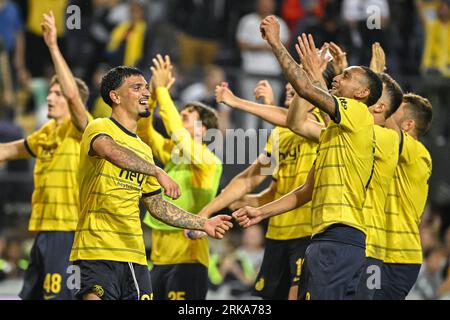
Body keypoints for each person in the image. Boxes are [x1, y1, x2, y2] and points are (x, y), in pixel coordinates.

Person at [233, 16, 383, 299]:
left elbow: (306, 90)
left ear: (363, 93)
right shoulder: (332, 135)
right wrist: (260, 212)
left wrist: (278, 45)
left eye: (347, 76)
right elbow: (304, 188)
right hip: (331, 239)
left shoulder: (359, 113)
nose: (338, 77)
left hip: (337, 236)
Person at [69, 64, 232, 300]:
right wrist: (156, 170)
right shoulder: (99, 127)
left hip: (136, 259)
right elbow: (111, 151)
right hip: (96, 252)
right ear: (115, 96)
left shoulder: (147, 151)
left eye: (146, 87)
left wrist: (202, 223)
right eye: (137, 88)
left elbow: (157, 205)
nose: (145, 92)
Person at [205, 79, 324, 300]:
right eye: (288, 89)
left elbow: (295, 120)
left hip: (307, 232)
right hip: (277, 233)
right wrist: (239, 203)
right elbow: (262, 185)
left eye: (296, 89)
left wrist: (237, 102)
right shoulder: (279, 135)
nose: (290, 91)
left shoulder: (321, 124)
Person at [0, 12, 90, 300]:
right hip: (43, 231)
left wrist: (53, 46)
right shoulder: (47, 132)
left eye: (57, 94)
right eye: (49, 93)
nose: (50, 98)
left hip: (67, 232)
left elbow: (74, 97)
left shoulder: (82, 129)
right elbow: (8, 150)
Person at [135, 55, 223, 300]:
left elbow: (175, 131)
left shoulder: (208, 161)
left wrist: (162, 89)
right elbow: (144, 132)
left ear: (202, 130)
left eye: (185, 117)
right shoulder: (175, 156)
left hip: (188, 257)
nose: (177, 119)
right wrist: (152, 96)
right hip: (160, 257)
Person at [374, 93, 433, 300]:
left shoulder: (418, 152)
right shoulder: (386, 147)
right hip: (378, 252)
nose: (387, 109)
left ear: (408, 125)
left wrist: (377, 85)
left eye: (394, 108)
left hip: (398, 257)